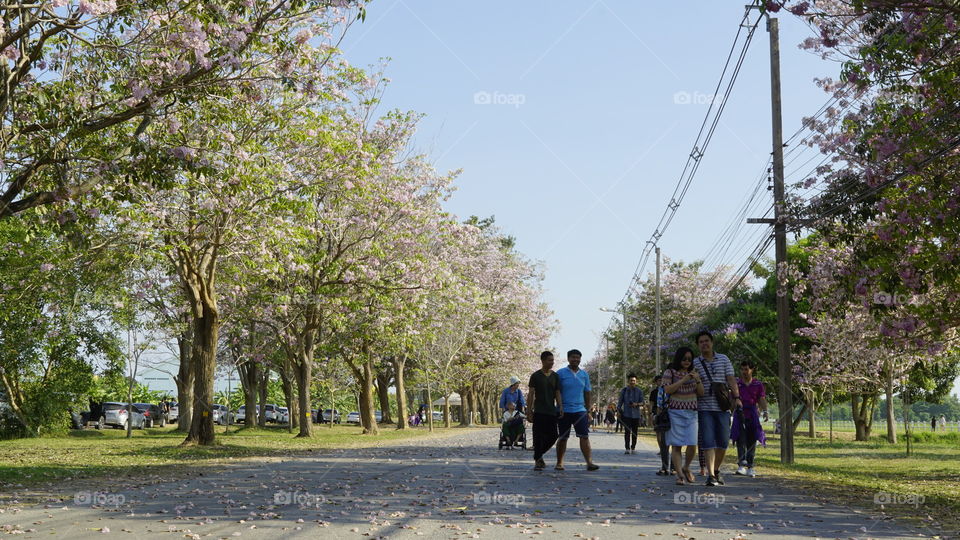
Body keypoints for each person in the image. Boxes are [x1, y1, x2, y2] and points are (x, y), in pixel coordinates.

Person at [693, 331, 739, 487]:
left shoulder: (724, 359)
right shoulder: (695, 363)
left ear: (712, 343)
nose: (704, 344)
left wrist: (737, 397)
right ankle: (711, 475)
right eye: (701, 342)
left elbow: (731, 379)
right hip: (704, 407)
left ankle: (716, 470)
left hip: (722, 407)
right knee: (707, 442)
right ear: (698, 345)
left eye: (706, 341)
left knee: (723, 442)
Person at [663, 347, 704, 485]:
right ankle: (679, 474)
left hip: (692, 412)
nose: (687, 361)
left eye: (689, 359)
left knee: (692, 443)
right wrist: (683, 379)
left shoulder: (694, 373)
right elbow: (668, 390)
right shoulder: (670, 372)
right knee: (676, 445)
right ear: (679, 358)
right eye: (684, 358)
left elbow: (701, 393)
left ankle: (686, 467)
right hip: (675, 412)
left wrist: (697, 380)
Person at [555, 349, 600, 471]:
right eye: (573, 357)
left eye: (577, 357)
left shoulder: (584, 374)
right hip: (564, 410)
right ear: (568, 359)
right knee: (563, 437)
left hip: (580, 410)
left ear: (580, 359)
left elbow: (587, 392)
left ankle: (589, 463)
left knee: (584, 436)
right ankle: (559, 463)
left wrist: (588, 410)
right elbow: (556, 391)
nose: (575, 359)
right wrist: (559, 406)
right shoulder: (560, 373)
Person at [732, 360, 768, 477]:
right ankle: (741, 465)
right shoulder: (737, 384)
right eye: (742, 369)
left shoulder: (758, 384)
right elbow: (733, 399)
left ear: (752, 370)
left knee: (752, 441)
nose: (744, 372)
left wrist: (765, 411)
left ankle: (750, 466)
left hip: (752, 414)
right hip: (740, 414)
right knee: (740, 439)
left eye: (746, 369)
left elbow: (761, 399)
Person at [528, 351, 563, 471]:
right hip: (539, 411)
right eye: (549, 360)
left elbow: (557, 392)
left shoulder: (555, 376)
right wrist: (529, 410)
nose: (552, 362)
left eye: (553, 360)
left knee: (554, 435)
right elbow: (531, 394)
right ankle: (538, 460)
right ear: (543, 361)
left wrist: (560, 406)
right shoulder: (535, 376)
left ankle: (538, 454)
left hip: (551, 411)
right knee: (538, 436)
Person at [650, 375, 671, 475]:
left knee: (675, 443)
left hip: (678, 415)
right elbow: (658, 405)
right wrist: (655, 417)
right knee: (664, 441)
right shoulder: (660, 390)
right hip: (664, 416)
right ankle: (665, 466)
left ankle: (674, 467)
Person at [618, 374, 644, 454]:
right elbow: (620, 402)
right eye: (631, 380)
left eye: (634, 381)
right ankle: (627, 448)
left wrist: (636, 404)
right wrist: (618, 411)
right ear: (628, 381)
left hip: (636, 415)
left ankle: (633, 448)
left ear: (636, 381)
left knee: (635, 432)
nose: (632, 382)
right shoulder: (624, 390)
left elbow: (643, 402)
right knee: (627, 431)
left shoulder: (639, 391)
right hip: (626, 414)